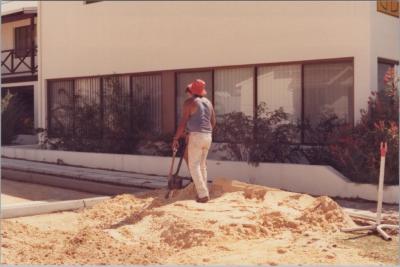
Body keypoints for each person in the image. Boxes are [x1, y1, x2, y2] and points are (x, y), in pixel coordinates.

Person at [172, 79, 216, 203]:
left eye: (189, 91)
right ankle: (204, 192)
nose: (187, 94)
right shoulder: (208, 102)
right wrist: (202, 132)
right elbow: (213, 122)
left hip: (197, 136)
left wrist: (176, 138)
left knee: (194, 165)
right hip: (208, 136)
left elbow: (183, 122)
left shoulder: (189, 102)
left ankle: (202, 195)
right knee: (202, 165)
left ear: (191, 92)